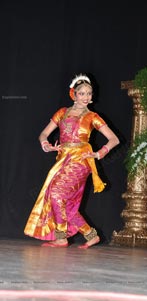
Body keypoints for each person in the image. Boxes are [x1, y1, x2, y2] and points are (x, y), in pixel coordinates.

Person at [24, 74, 119, 248]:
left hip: (81, 159)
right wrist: (45, 144)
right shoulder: (62, 112)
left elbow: (114, 139)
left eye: (89, 93)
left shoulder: (93, 117)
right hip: (63, 159)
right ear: (73, 94)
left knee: (56, 194)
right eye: (82, 93)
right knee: (64, 201)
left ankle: (61, 238)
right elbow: (43, 134)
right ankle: (91, 235)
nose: (86, 97)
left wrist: (99, 154)